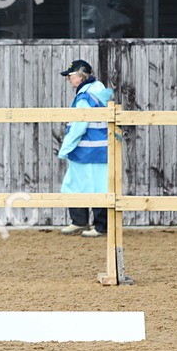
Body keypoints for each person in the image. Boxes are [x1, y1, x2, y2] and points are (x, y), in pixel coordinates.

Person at [57, 59, 113, 237]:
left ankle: (96, 225)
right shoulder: (98, 90)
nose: (69, 80)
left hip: (88, 149)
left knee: (85, 185)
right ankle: (82, 222)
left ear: (80, 76)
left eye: (71, 76)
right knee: (89, 184)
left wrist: (65, 148)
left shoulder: (85, 97)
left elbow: (80, 125)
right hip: (98, 148)